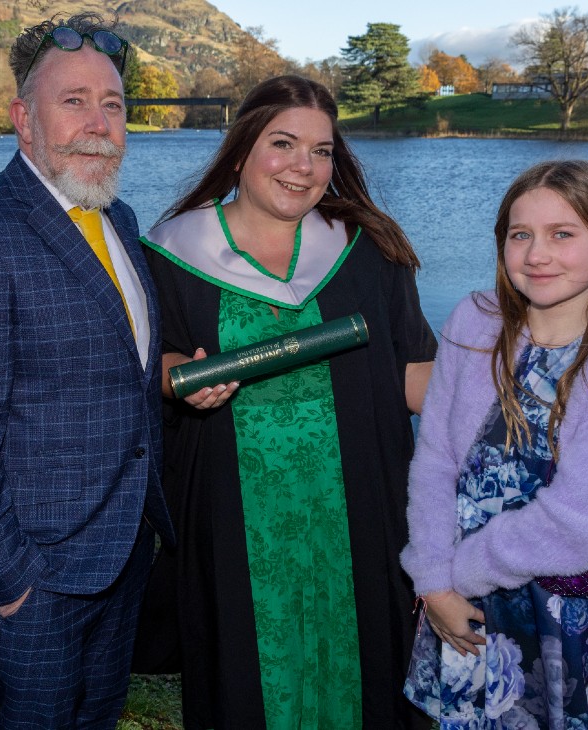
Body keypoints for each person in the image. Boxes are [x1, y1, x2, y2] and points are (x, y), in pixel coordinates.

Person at [134, 75, 435, 728]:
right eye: (283, 143)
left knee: (366, 680)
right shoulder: (168, 254)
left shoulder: (368, 248)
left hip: (359, 515)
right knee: (248, 683)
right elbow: (142, 366)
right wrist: (172, 375)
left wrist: (510, 381)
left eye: (322, 151)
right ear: (242, 147)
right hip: (233, 525)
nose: (304, 166)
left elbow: (412, 372)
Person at [0, 12, 174, 729]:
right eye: (74, 101)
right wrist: (6, 578)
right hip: (36, 576)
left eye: (112, 104)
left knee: (98, 717)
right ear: (24, 119)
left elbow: (119, 371)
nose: (98, 123)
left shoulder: (119, 220)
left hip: (122, 553)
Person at [400, 160, 588, 728]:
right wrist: (432, 578)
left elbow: (577, 521)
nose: (537, 254)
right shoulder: (475, 322)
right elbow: (436, 459)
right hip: (461, 599)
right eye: (520, 235)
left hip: (560, 609)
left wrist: (453, 577)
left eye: (562, 234)